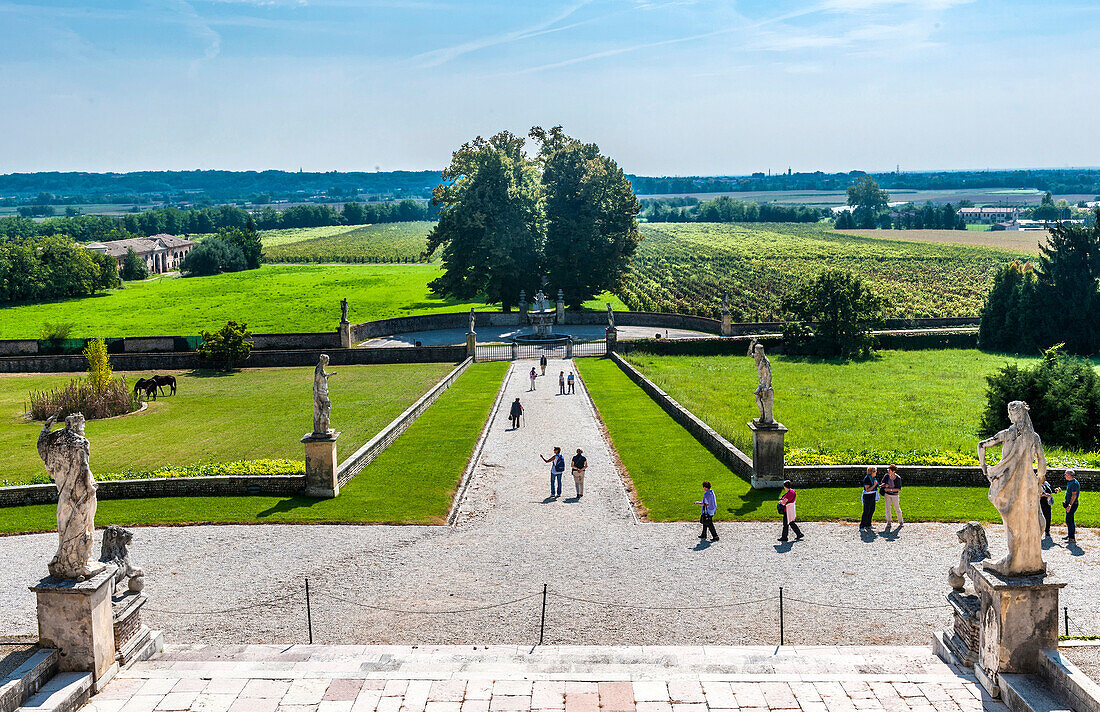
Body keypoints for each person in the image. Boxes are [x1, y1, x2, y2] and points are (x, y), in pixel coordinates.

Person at [881, 464, 903, 528]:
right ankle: (889, 522)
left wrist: (890, 489)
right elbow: (882, 483)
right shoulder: (886, 476)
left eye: (890, 470)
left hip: (895, 495)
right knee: (888, 508)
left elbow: (899, 489)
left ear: (893, 471)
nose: (888, 471)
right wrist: (885, 485)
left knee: (897, 508)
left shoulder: (898, 478)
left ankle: (901, 521)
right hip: (887, 494)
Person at [859, 466, 878, 531]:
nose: (876, 473)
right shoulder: (867, 478)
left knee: (872, 509)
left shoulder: (873, 478)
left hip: (873, 495)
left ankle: (868, 524)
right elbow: (867, 489)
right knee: (866, 511)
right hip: (867, 496)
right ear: (872, 472)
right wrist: (874, 485)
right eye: (875, 471)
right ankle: (862, 525)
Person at [1064, 469, 1080, 543]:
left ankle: (1072, 538)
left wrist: (1069, 505)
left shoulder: (1074, 483)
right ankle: (1070, 535)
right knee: (1069, 520)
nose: (1064, 475)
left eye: (1066, 474)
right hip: (1069, 504)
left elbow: (1074, 496)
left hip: (1073, 504)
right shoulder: (1070, 482)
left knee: (1069, 520)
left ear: (1070, 475)